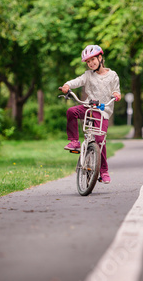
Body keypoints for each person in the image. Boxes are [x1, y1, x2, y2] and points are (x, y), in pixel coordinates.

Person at [59, 45, 121, 184]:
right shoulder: (88, 75)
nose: (91, 63)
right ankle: (74, 141)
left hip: (102, 111)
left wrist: (117, 94)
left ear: (100, 58)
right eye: (88, 62)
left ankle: (103, 170)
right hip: (88, 108)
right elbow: (77, 81)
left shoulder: (112, 75)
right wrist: (67, 85)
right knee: (71, 111)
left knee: (100, 140)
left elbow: (116, 90)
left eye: (93, 59)